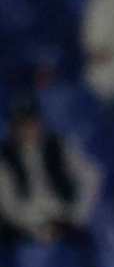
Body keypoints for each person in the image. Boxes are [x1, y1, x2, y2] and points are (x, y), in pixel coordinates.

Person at [0, 95, 102, 243]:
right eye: (22, 125)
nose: (28, 129)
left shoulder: (58, 145)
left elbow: (91, 176)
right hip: (25, 224)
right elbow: (8, 203)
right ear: (13, 128)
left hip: (64, 215)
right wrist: (35, 229)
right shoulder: (5, 158)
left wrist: (77, 214)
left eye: (31, 123)